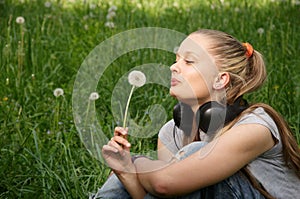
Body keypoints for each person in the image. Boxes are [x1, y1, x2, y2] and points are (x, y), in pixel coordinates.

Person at [91, 29, 300, 199]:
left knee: (196, 152)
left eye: (189, 62)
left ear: (221, 79)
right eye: (176, 60)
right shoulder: (171, 132)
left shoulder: (255, 127)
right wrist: (126, 173)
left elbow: (165, 183)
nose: (174, 67)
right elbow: (160, 192)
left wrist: (135, 162)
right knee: (125, 180)